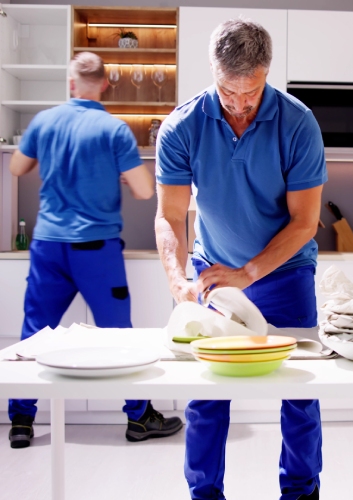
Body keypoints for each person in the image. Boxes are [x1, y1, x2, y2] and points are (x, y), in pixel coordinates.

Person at [155, 19, 327, 500]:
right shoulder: (182, 126)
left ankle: (301, 491)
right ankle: (204, 493)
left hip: (285, 273)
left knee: (299, 392)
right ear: (213, 73)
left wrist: (251, 271)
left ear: (267, 73)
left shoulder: (298, 124)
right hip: (213, 274)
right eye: (228, 93)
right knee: (207, 393)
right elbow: (169, 217)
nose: (239, 105)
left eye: (250, 93)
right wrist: (178, 281)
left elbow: (304, 222)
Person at [8, 52, 183, 449]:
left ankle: (21, 421)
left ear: (71, 84)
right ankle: (139, 418)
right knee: (120, 335)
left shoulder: (45, 122)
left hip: (49, 245)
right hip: (96, 251)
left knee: (34, 333)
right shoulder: (114, 129)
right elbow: (143, 189)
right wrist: (113, 176)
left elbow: (17, 168)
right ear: (104, 84)